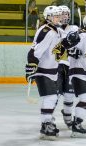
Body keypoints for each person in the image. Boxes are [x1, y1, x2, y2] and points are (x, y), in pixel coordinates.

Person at [25, 6, 62, 140]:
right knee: (50, 97)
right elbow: (34, 50)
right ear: (48, 17)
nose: (59, 18)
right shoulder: (47, 31)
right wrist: (31, 64)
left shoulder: (56, 30)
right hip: (43, 71)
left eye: (59, 16)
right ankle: (46, 124)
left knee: (53, 97)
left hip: (52, 70)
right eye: (56, 16)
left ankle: (47, 122)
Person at [56, 5, 79, 129]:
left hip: (70, 65)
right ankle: (48, 120)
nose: (65, 16)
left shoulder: (74, 28)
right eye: (62, 13)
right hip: (57, 66)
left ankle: (68, 117)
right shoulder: (53, 29)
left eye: (67, 14)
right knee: (55, 94)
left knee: (69, 94)